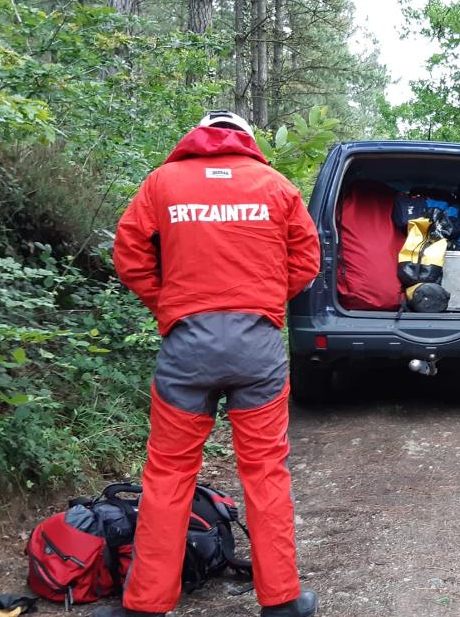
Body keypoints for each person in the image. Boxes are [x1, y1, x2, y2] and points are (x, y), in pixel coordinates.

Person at [102, 111, 321, 617]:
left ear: (197, 136)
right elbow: (306, 261)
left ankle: (145, 605)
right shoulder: (276, 186)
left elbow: (130, 255)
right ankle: (282, 601)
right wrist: (265, 303)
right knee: (265, 471)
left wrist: (169, 306)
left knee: (168, 473)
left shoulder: (163, 183)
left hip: (187, 346)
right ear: (246, 139)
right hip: (257, 346)